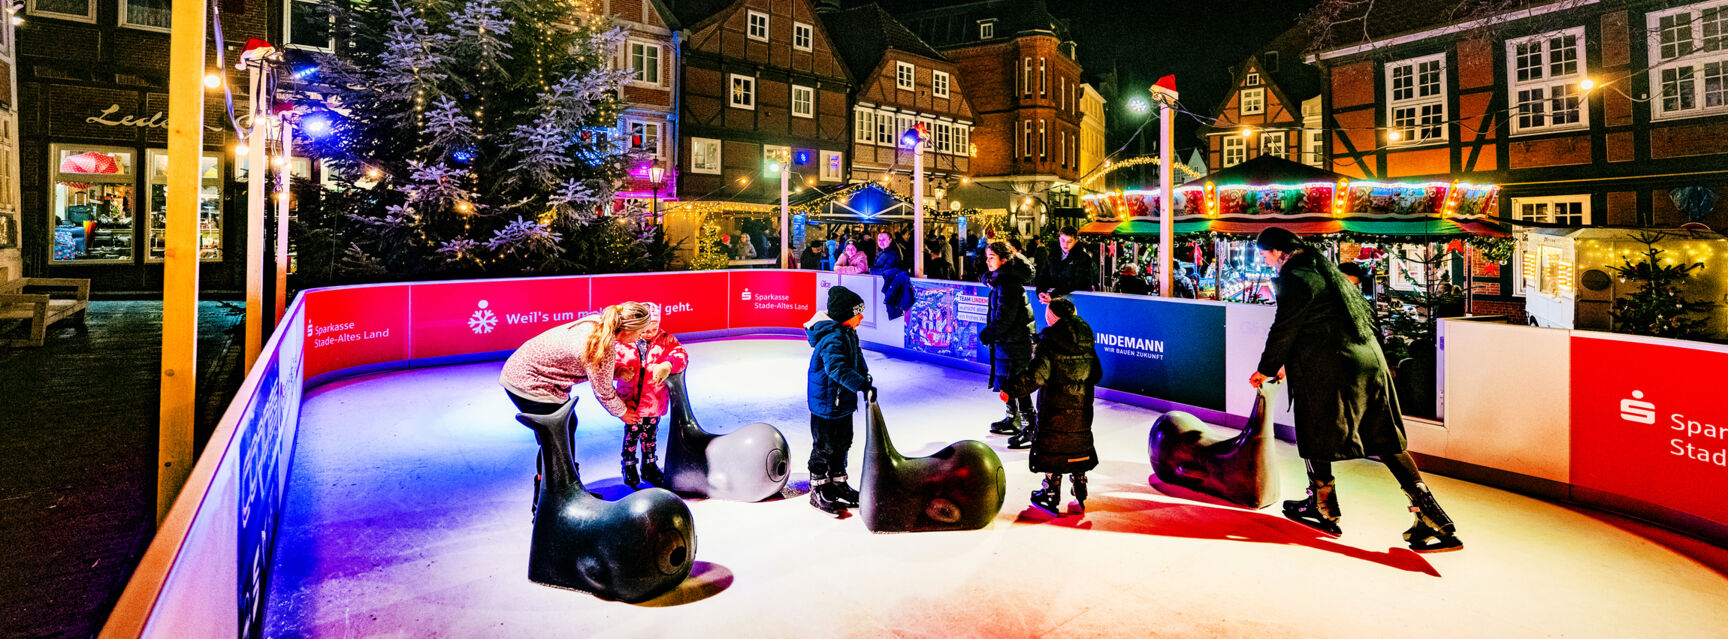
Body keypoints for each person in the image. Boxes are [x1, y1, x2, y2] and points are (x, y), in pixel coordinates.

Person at [1249, 227, 1462, 552]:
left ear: (1277, 250)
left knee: (1313, 427)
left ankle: (1324, 507)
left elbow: (1284, 326)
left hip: (1330, 366)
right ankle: (1432, 516)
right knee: (1384, 437)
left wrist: (1264, 369)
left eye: (1264, 254)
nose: (1264, 261)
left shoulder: (1295, 275)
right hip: (1367, 360)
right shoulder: (1323, 267)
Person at [500, 302, 655, 504]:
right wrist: (623, 412)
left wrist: (617, 371)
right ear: (626, 330)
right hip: (530, 384)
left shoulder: (598, 324)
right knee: (556, 439)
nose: (641, 336)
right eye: (640, 331)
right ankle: (548, 503)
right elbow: (603, 391)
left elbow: (586, 363)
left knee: (566, 428)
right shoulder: (601, 347)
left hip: (524, 371)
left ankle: (569, 488)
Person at [1001, 296, 1101, 515]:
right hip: (1082, 406)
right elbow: (1097, 373)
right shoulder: (1086, 339)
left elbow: (1036, 376)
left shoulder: (1049, 342)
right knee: (1077, 442)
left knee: (1054, 444)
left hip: (1054, 406)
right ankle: (1080, 484)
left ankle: (1050, 492)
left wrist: (1010, 388)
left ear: (1052, 318)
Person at [803, 285, 873, 516]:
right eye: (857, 313)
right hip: (826, 403)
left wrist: (865, 376)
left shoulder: (849, 333)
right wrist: (860, 384)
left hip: (841, 402)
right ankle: (819, 487)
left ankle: (838, 481)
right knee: (824, 446)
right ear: (845, 316)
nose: (861, 317)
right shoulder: (832, 337)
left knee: (843, 442)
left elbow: (857, 359)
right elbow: (836, 369)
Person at [612, 303, 689, 489]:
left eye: (654, 328)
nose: (650, 332)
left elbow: (681, 355)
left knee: (650, 435)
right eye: (646, 329)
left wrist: (668, 364)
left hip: (654, 400)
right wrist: (619, 371)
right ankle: (629, 465)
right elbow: (609, 363)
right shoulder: (624, 341)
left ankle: (649, 464)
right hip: (630, 402)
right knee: (632, 435)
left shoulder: (667, 340)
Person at [979, 241, 1037, 437]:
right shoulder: (1001, 279)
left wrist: (988, 333)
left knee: (1019, 383)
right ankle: (1012, 418)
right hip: (1008, 341)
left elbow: (1005, 316)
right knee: (1008, 382)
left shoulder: (1008, 283)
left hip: (1016, 342)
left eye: (991, 258)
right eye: (987, 257)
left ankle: (1030, 424)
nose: (987, 261)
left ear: (1003, 260)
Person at [1035, 226, 1096, 303]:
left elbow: (1076, 282)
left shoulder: (1083, 258)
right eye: (1063, 240)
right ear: (1059, 238)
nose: (1065, 244)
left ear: (1076, 241)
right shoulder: (1053, 255)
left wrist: (1053, 295)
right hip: (1056, 300)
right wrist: (1041, 292)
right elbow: (1044, 275)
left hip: (1079, 300)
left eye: (1069, 241)